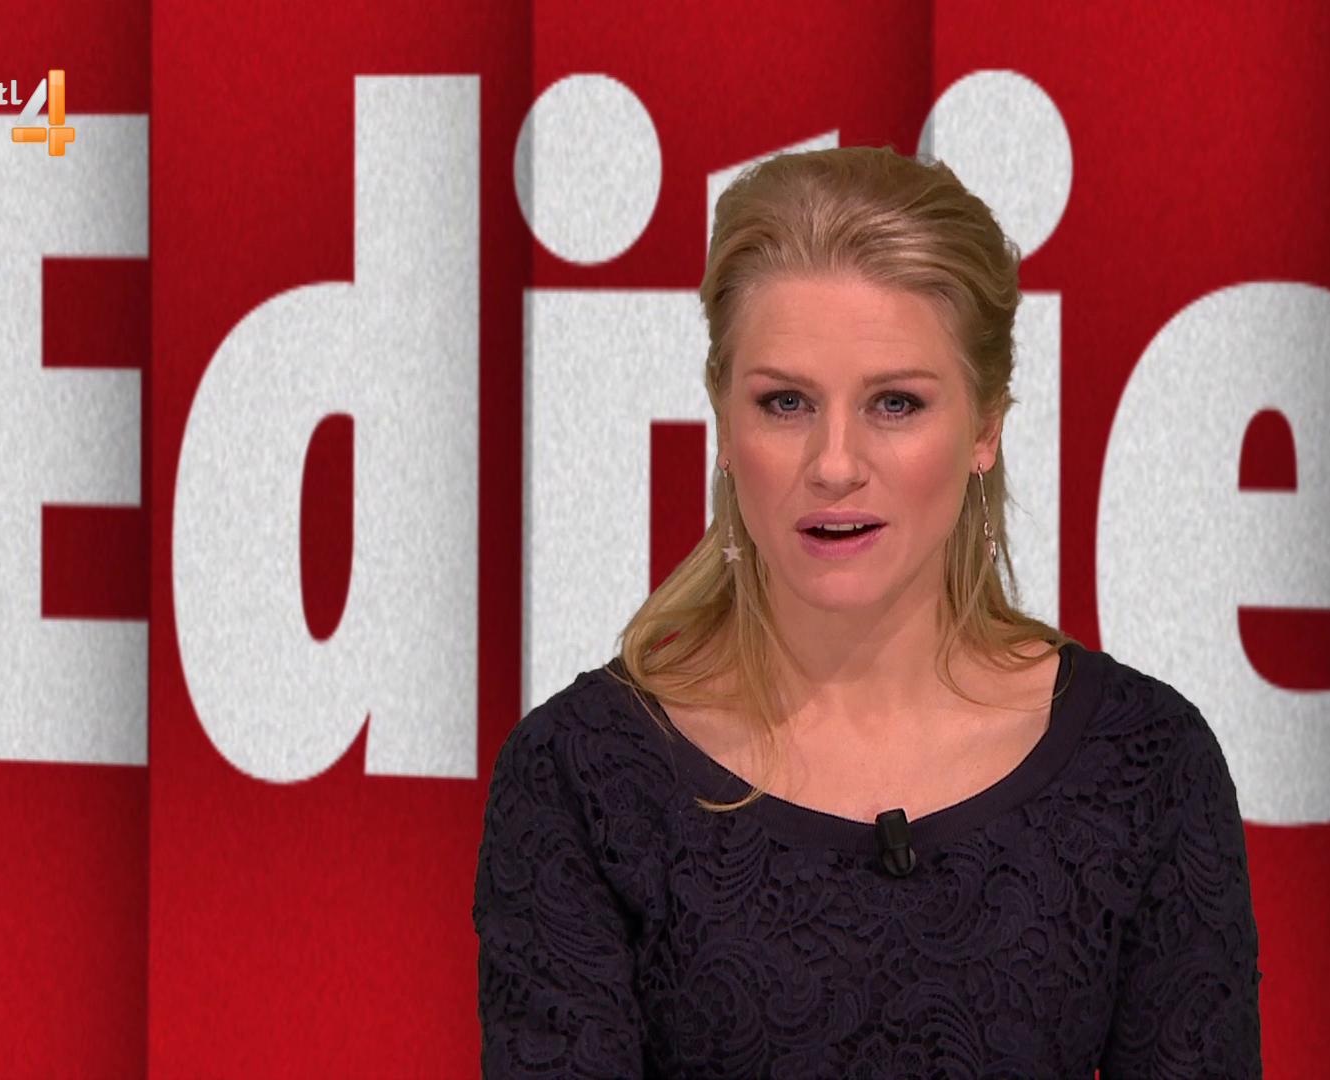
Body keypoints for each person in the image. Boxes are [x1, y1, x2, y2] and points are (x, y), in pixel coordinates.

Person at [472, 144, 1263, 1077]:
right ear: (724, 423)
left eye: (894, 403)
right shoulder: (581, 776)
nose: (835, 463)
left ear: (985, 427)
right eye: (785, 402)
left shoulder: (1146, 764)